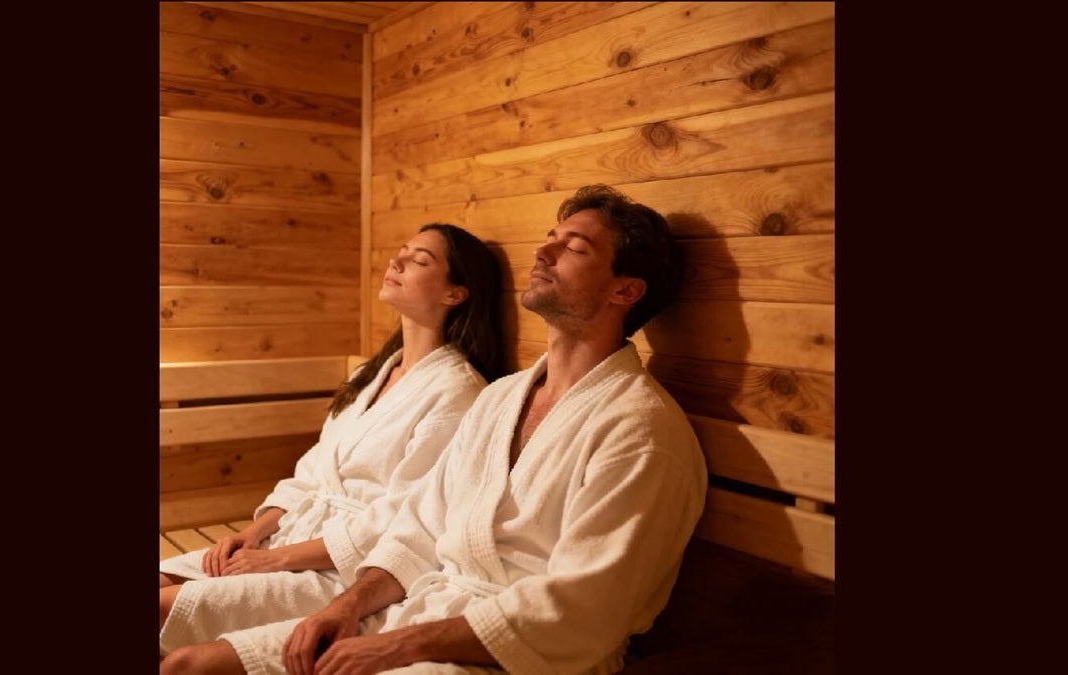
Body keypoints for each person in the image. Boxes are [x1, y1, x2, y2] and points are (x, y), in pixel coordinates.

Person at [158, 184, 707, 675]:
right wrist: (343, 608)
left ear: (625, 291)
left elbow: (582, 609)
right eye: (549, 238)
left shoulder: (641, 430)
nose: (543, 253)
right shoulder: (501, 398)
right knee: (189, 666)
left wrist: (395, 647)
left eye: (575, 248)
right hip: (425, 606)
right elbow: (419, 528)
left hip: (522, 654)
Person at [159, 224, 506, 644]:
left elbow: (404, 517)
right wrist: (254, 532)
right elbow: (312, 471)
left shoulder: (458, 392)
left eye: (419, 260)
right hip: (289, 538)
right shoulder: (370, 375)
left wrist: (277, 560)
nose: (396, 262)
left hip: (346, 567)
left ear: (455, 294)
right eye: (401, 250)